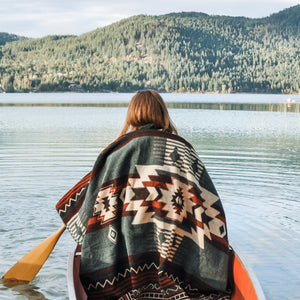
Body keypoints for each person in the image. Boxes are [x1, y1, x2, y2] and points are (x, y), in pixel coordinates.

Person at [56, 90, 231, 300]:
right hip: (177, 267)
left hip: (123, 278)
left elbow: (96, 198)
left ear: (132, 114)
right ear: (162, 113)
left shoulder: (116, 153)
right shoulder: (184, 151)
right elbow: (207, 205)